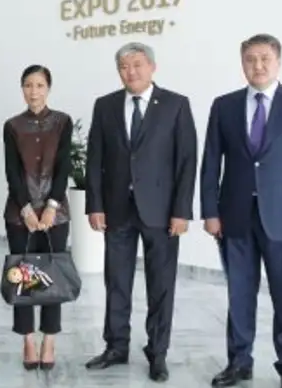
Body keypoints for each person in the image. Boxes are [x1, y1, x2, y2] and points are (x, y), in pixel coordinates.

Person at [201, 34, 282, 388]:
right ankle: (239, 363)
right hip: (235, 217)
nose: (257, 66)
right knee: (239, 296)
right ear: (242, 63)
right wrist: (210, 211)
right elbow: (210, 161)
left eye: (264, 59)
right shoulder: (224, 105)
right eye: (250, 59)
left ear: (278, 62)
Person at [84, 42, 197, 382]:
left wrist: (181, 211)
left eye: (137, 64)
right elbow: (95, 159)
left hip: (162, 212)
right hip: (117, 209)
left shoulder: (176, 105)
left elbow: (187, 161)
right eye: (124, 66)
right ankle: (116, 346)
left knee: (160, 285)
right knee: (116, 282)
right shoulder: (105, 105)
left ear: (152, 67)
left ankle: (157, 352)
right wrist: (95, 205)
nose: (130, 71)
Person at [2, 65, 73, 371]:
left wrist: (51, 206)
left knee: (51, 277)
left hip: (56, 215)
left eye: (40, 85)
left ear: (48, 88)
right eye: (28, 85)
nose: (34, 91)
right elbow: (12, 171)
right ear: (22, 89)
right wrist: (27, 209)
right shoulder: (12, 125)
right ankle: (28, 340)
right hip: (20, 215)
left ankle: (49, 340)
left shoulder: (62, 122)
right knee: (23, 278)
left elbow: (64, 166)